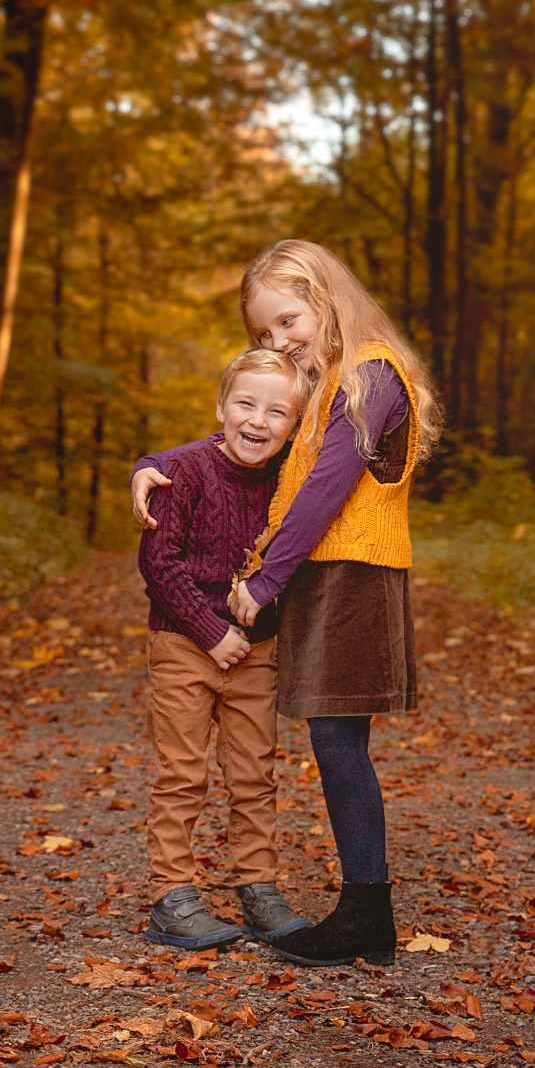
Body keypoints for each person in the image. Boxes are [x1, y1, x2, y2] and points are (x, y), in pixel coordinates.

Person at [133, 240, 440, 967]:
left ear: (325, 296)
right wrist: (150, 465)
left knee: (339, 746)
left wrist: (265, 582)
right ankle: (361, 906)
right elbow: (239, 453)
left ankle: (367, 911)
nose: (279, 341)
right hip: (323, 580)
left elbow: (322, 492)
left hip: (355, 581)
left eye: (288, 320)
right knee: (332, 745)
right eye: (264, 334)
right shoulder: (330, 380)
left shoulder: (372, 377)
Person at [135, 347, 314, 951]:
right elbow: (158, 563)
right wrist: (213, 635)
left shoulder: (291, 482)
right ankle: (172, 896)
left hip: (256, 654)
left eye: (278, 412)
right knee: (181, 772)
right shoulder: (182, 471)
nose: (258, 421)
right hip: (185, 644)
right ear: (221, 406)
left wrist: (248, 634)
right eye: (246, 403)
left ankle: (258, 889)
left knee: (253, 775)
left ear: (294, 427)